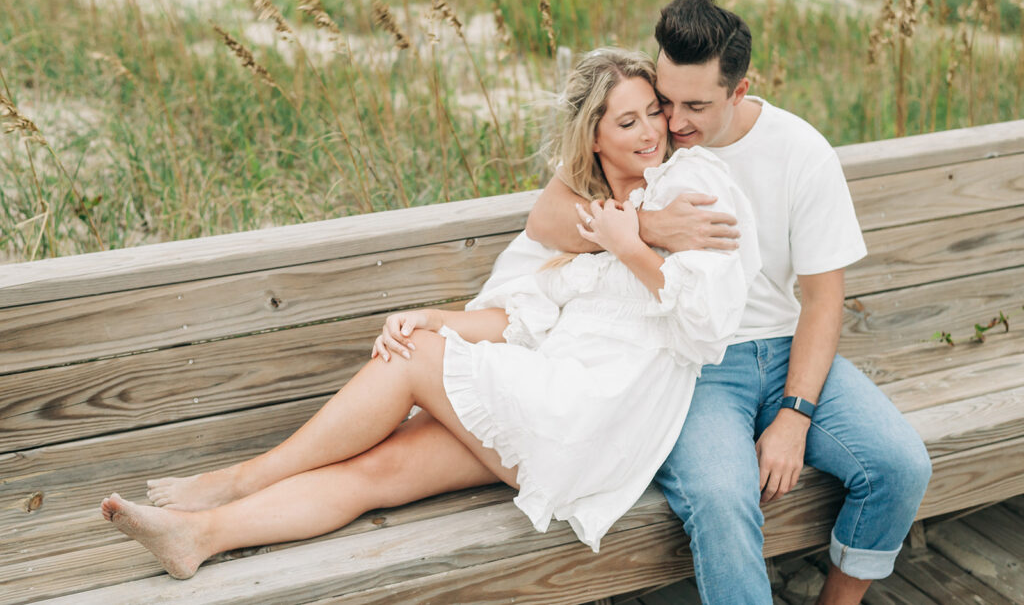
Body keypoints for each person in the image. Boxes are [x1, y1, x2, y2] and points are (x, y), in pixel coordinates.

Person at [100, 48, 761, 578]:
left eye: (653, 113)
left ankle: (235, 481)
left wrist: (635, 244)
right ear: (593, 137)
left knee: (413, 359)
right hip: (549, 401)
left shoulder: (690, 188)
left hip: (594, 418)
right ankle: (198, 537)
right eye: (629, 121)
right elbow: (518, 321)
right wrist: (430, 314)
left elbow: (705, 324)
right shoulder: (582, 224)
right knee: (377, 470)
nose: (653, 131)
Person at [525, 0, 932, 604]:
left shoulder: (801, 153)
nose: (675, 121)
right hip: (696, 364)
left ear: (740, 91)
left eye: (696, 105)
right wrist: (649, 228)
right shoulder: (648, 141)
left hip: (786, 347)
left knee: (902, 466)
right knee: (721, 495)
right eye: (666, 100)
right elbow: (547, 217)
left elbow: (824, 300)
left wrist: (794, 415)